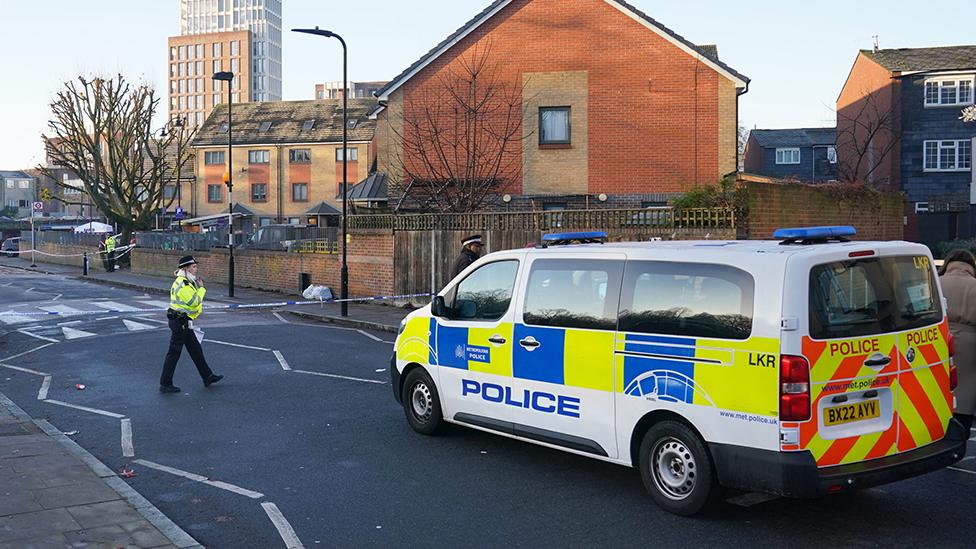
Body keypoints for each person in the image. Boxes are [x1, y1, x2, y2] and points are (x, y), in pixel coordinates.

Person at [159, 255, 223, 393]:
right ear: (186, 269)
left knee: (196, 350)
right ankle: (165, 383)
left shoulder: (186, 282)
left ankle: (208, 376)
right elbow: (194, 302)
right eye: (193, 267)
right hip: (179, 322)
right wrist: (201, 289)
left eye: (195, 266)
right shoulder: (183, 283)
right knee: (174, 353)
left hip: (184, 321)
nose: (196, 269)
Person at [939, 249, 976, 431]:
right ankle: (962, 426)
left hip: (937, 339)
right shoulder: (974, 285)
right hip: (970, 343)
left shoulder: (936, 282)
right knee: (966, 388)